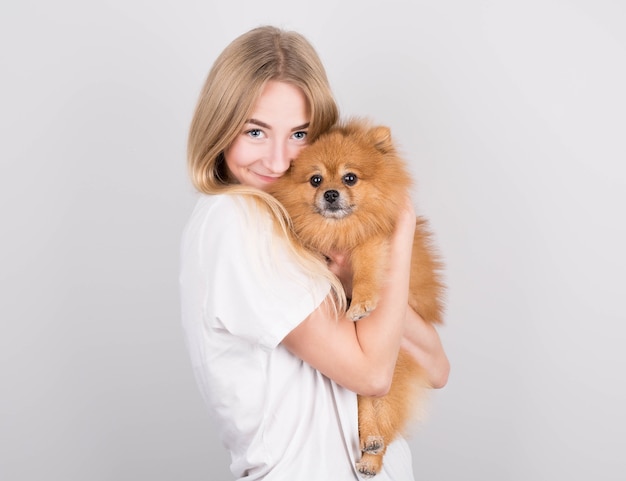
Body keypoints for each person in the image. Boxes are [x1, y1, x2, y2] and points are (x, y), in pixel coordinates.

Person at [180, 25, 449, 481]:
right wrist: (399, 231)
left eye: (299, 133)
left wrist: (362, 272)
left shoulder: (300, 234)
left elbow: (437, 367)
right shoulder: (232, 222)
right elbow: (372, 375)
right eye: (256, 131)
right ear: (220, 126)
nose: (281, 159)